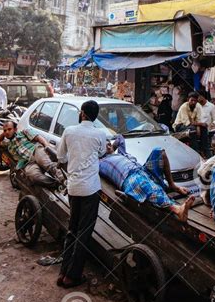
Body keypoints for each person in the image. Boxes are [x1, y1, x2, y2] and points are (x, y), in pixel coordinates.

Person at [56, 100, 108, 289]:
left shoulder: (69, 131)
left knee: (73, 229)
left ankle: (63, 272)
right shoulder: (100, 134)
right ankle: (72, 276)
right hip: (90, 188)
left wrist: (72, 161)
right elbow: (102, 153)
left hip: (73, 187)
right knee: (84, 233)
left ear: (83, 114)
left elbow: (60, 157)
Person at [100, 136, 195, 221]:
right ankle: (176, 209)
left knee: (159, 151)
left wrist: (110, 144)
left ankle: (173, 185)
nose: (108, 145)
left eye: (108, 143)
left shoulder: (122, 153)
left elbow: (120, 138)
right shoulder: (101, 162)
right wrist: (103, 149)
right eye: (104, 145)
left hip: (145, 171)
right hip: (130, 178)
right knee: (143, 183)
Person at [174, 92, 210, 156]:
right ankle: (195, 151)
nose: (193, 102)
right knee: (193, 130)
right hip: (180, 126)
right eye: (192, 100)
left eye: (195, 101)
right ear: (188, 100)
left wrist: (199, 126)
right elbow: (187, 123)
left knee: (204, 128)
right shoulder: (184, 107)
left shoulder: (198, 106)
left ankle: (206, 150)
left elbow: (199, 120)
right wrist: (199, 125)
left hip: (193, 126)